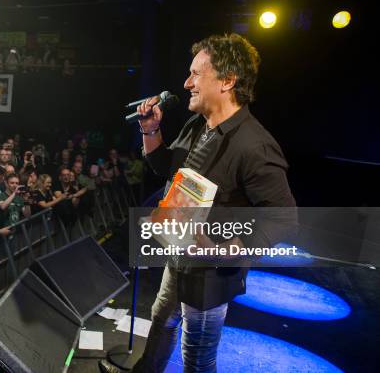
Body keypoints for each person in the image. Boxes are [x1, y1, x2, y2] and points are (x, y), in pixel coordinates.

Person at [100, 33, 296, 373]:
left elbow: (283, 219)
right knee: (161, 321)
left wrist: (219, 250)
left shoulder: (255, 146)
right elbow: (165, 167)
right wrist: (150, 130)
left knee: (197, 359)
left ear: (228, 80)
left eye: (195, 74)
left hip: (211, 275)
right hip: (181, 259)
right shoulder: (198, 125)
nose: (187, 82)